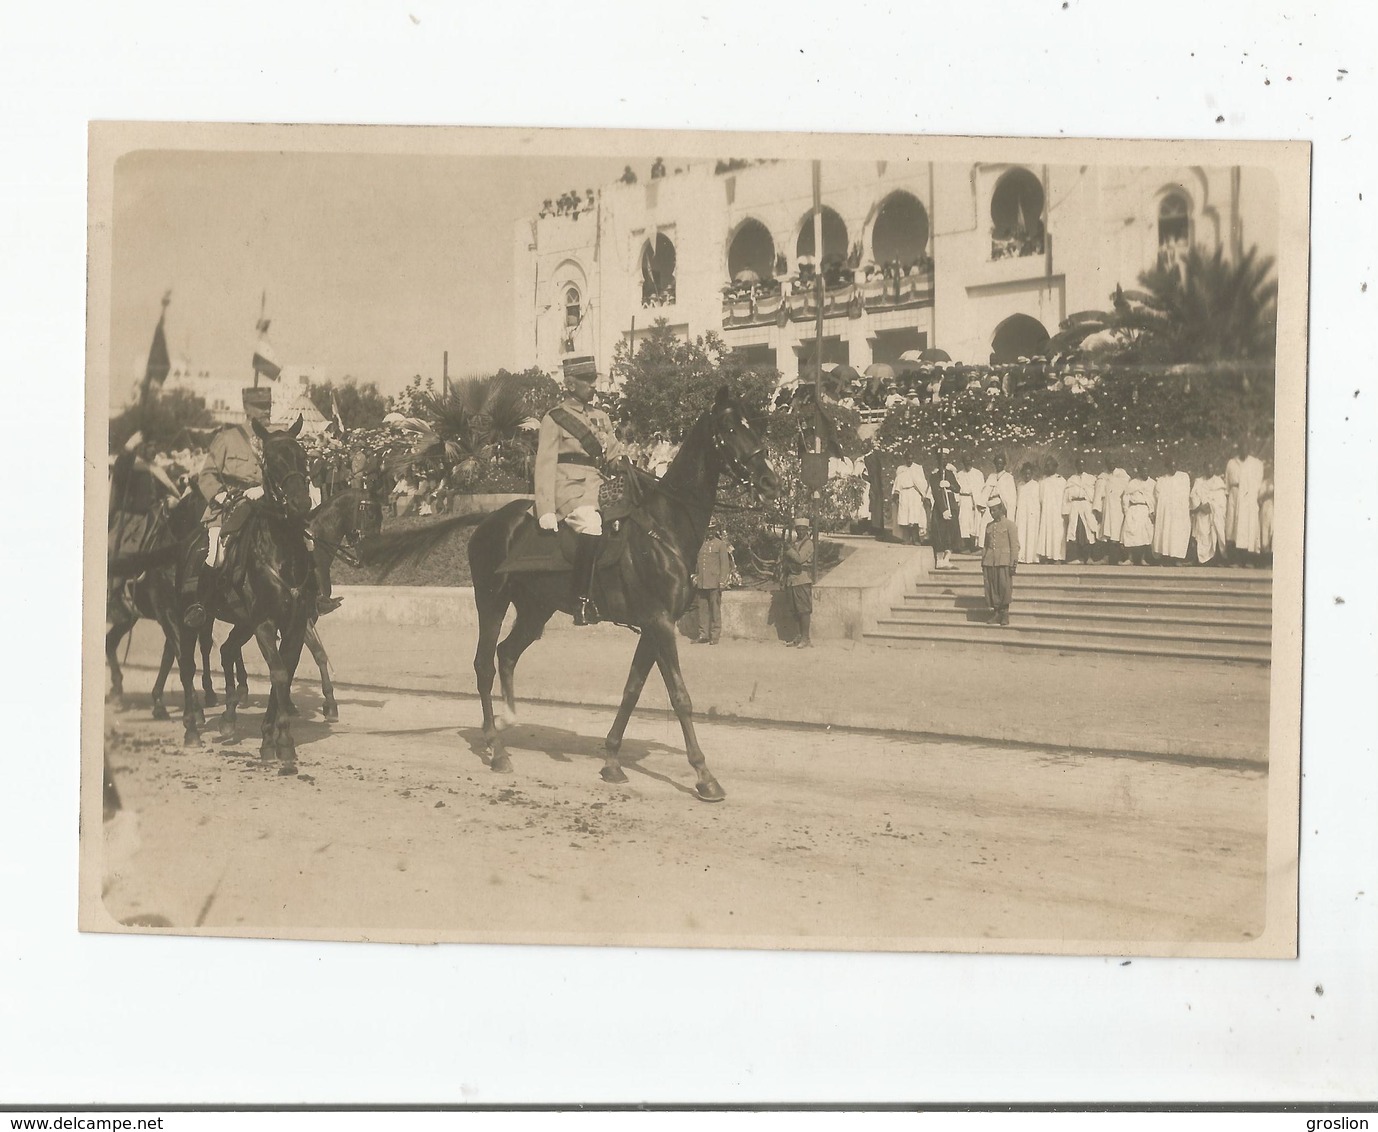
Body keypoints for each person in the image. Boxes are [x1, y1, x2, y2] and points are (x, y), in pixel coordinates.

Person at [534, 355, 624, 626]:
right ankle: (581, 600)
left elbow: (614, 456)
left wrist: (624, 463)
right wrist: (546, 509)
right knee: (592, 525)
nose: (592, 385)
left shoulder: (601, 417)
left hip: (599, 484)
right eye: (586, 380)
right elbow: (545, 465)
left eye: (593, 379)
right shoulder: (555, 418)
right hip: (568, 487)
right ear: (570, 384)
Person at [692, 519, 733, 645]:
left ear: (715, 530)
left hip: (714, 583)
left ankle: (714, 636)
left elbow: (725, 565)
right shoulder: (701, 544)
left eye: (712, 529)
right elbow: (697, 563)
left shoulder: (720, 544)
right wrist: (695, 576)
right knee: (702, 610)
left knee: (715, 610)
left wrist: (722, 581)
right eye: (708, 529)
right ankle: (703, 634)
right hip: (702, 582)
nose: (709, 531)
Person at [1225, 441, 1266, 564]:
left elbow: (1258, 483)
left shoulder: (1256, 464)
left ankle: (1248, 560)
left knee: (1249, 528)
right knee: (1233, 528)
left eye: (1246, 448)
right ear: (1238, 449)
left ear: (1249, 450)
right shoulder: (1231, 463)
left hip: (1249, 500)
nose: (1244, 451)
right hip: (1235, 497)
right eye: (1241, 448)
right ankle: (1235, 560)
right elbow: (1227, 483)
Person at [981, 501, 1019, 627]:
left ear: (1001, 510)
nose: (992, 513)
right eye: (990, 510)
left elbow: (1014, 546)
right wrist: (983, 560)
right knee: (992, 587)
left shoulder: (1010, 525)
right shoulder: (989, 526)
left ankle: (1005, 613)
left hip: (1004, 561)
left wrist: (1013, 564)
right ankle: (996, 612)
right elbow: (986, 545)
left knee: (1004, 587)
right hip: (990, 561)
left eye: (994, 510)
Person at [782, 517, 815, 647]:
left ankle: (806, 638)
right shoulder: (796, 542)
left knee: (804, 610)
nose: (800, 531)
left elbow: (800, 558)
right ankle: (798, 636)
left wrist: (788, 549)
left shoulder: (808, 544)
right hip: (792, 580)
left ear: (807, 530)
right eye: (798, 529)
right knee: (794, 610)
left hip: (802, 579)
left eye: (803, 529)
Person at [1152, 456, 1192, 565]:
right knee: (1165, 532)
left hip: (1179, 512)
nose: (1173, 468)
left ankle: (1177, 559)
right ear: (1167, 467)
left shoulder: (1183, 477)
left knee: (1177, 533)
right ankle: (1165, 558)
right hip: (1166, 512)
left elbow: (1184, 494)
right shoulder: (1161, 480)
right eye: (1171, 466)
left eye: (1175, 466)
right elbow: (1157, 495)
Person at [1092, 455, 1130, 565]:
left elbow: (1126, 493)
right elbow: (1098, 494)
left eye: (1113, 462)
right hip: (1107, 507)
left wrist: (1126, 508)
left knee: (1118, 532)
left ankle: (1122, 558)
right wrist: (1097, 510)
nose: (1111, 465)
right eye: (1109, 462)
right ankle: (1107, 557)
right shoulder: (1102, 477)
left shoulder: (1123, 475)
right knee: (1107, 532)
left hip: (1118, 508)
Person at [1190, 462, 1228, 566]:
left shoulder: (1218, 482)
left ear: (1214, 469)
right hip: (1202, 512)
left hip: (1215, 512)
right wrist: (1200, 506)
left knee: (1216, 534)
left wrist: (1212, 505)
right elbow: (1193, 496)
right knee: (1202, 534)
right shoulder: (1199, 481)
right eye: (1208, 469)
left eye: (1211, 469)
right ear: (1204, 469)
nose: (1210, 471)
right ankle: (1203, 559)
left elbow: (1221, 498)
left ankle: (1216, 559)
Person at [1062, 455, 1099, 564]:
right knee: (1075, 531)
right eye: (1079, 464)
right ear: (1076, 466)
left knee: (1089, 530)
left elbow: (1094, 495)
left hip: (1086, 506)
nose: (1081, 466)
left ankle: (1089, 557)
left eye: (1082, 464)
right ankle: (1077, 557)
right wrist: (1065, 511)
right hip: (1074, 507)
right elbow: (1066, 498)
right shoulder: (1071, 479)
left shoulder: (1091, 479)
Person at [976, 453, 1017, 547]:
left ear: (1004, 464)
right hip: (990, 504)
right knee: (984, 524)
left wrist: (1005, 505)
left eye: (1001, 464)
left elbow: (1011, 495)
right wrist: (982, 503)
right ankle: (984, 546)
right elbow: (985, 491)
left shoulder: (1008, 477)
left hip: (1000, 505)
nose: (999, 466)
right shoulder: (992, 476)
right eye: (997, 463)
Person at [1121, 462, 1156, 566]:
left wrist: (1152, 511)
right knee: (1130, 533)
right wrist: (1126, 511)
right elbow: (1126, 497)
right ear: (1139, 472)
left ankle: (1143, 558)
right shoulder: (1133, 483)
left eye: (1147, 471)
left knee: (1146, 534)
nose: (1146, 473)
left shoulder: (1152, 483)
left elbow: (1153, 499)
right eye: (1143, 471)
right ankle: (1130, 558)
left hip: (1145, 510)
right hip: (1134, 510)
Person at [891, 456, 931, 545]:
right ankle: (906, 538)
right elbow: (897, 482)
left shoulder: (917, 468)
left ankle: (916, 539)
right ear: (905, 459)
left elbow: (922, 483)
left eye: (911, 458)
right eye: (907, 458)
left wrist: (923, 495)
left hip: (914, 495)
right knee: (904, 517)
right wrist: (896, 495)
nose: (909, 460)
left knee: (915, 517)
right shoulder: (901, 469)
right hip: (904, 494)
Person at [929, 460, 961, 569]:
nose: (942, 461)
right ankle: (939, 560)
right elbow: (936, 494)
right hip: (940, 508)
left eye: (945, 458)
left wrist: (950, 485)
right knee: (940, 533)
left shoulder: (950, 474)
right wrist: (943, 510)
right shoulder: (934, 476)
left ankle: (947, 560)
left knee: (951, 533)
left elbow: (958, 488)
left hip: (951, 506)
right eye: (940, 458)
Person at [1035, 456, 1067, 563]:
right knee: (1047, 533)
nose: (1047, 468)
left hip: (1058, 513)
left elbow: (1065, 498)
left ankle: (1058, 557)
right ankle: (1048, 556)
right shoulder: (1043, 481)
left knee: (1057, 534)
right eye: (1046, 466)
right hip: (1046, 513)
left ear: (1055, 467)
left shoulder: (1061, 481)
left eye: (1050, 466)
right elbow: (1040, 498)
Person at [954, 453, 985, 552]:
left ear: (972, 460)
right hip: (964, 501)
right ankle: (965, 545)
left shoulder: (978, 474)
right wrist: (957, 501)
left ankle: (973, 546)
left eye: (969, 460)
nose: (968, 462)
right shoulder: (959, 475)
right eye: (965, 461)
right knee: (963, 522)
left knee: (974, 522)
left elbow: (982, 489)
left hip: (975, 501)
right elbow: (956, 490)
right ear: (963, 462)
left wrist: (979, 502)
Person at [1014, 462, 1042, 565]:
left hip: (1032, 514)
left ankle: (1032, 557)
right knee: (1021, 533)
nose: (1027, 476)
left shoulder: (1036, 485)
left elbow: (1038, 501)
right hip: (1021, 513)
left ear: (1032, 474)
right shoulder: (1019, 485)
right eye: (1025, 474)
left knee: (1031, 534)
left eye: (1029, 474)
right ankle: (1021, 556)